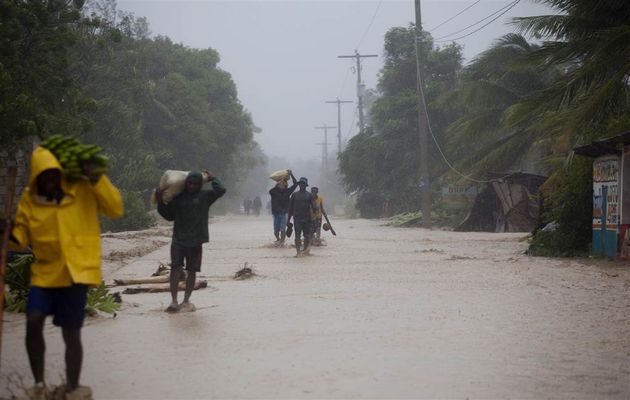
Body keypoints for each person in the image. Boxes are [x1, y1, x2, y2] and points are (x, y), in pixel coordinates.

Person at [9, 146, 124, 399]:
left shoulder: (82, 189)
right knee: (33, 320)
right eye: (43, 178)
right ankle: (39, 383)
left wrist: (96, 177)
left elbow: (115, 209)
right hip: (45, 274)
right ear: (36, 177)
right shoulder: (31, 198)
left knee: (71, 332)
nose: (49, 182)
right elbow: (19, 240)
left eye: (53, 176)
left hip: (76, 273)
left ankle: (72, 386)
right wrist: (7, 231)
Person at [156, 170, 225, 313]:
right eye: (190, 183)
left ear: (200, 185)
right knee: (175, 268)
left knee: (192, 271)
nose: (192, 186)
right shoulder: (178, 197)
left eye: (196, 184)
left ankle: (186, 300)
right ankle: (174, 301)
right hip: (178, 240)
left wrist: (213, 178)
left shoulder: (206, 196)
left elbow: (221, 190)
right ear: (185, 183)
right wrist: (160, 201)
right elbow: (169, 216)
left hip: (196, 241)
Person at [287, 177, 318, 256]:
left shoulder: (309, 195)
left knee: (306, 236)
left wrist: (315, 219)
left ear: (306, 185)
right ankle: (298, 252)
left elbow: (314, 207)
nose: (301, 185)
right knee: (297, 235)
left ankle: (304, 250)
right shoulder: (294, 195)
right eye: (300, 183)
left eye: (303, 184)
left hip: (307, 219)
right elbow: (290, 208)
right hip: (297, 218)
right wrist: (288, 220)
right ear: (299, 185)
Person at [269, 171, 298, 244]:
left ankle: (282, 242)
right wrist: (279, 181)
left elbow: (295, 184)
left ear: (286, 185)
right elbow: (270, 190)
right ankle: (278, 239)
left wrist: (291, 174)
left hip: (284, 213)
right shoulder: (273, 192)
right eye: (280, 183)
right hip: (276, 213)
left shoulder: (287, 192)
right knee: (276, 231)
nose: (282, 184)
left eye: (283, 183)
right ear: (278, 185)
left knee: (283, 229)